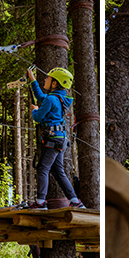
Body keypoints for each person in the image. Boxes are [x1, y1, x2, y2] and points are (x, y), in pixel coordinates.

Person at [26, 67, 85, 209]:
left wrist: (35, 111)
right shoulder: (59, 98)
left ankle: (40, 202)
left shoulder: (52, 99)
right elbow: (41, 98)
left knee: (42, 168)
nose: (45, 79)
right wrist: (32, 79)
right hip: (60, 139)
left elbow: (38, 118)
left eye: (48, 78)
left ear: (54, 83)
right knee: (57, 171)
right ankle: (75, 201)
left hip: (53, 139)